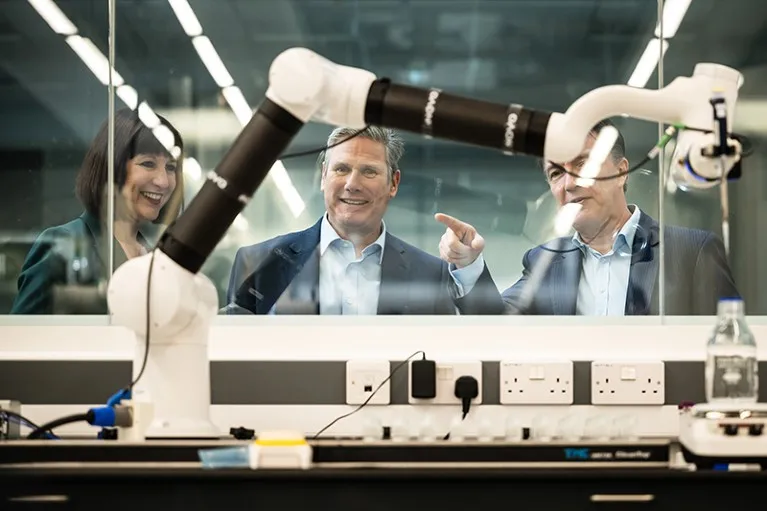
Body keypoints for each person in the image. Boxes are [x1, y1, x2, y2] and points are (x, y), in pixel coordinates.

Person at [436, 118, 739, 316]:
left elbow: (730, 347)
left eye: (583, 165)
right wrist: (468, 264)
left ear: (621, 173)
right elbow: (498, 327)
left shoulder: (691, 252)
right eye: (556, 173)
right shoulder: (545, 262)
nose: (568, 183)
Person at [223, 126, 499, 315]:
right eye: (341, 169)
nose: (352, 184)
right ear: (323, 176)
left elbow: (495, 338)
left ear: (394, 183)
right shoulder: (258, 263)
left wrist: (468, 266)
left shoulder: (431, 275)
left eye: (369, 171)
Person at [11, 108, 184, 314]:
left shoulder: (154, 255)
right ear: (112, 168)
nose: (163, 181)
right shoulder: (62, 244)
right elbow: (20, 337)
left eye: (171, 168)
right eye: (148, 164)